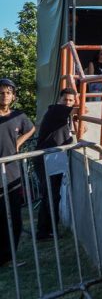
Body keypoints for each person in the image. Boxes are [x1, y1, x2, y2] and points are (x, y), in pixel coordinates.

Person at [35, 88, 82, 240]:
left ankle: (45, 230)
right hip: (46, 158)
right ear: (59, 100)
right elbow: (82, 109)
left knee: (51, 195)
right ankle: (48, 231)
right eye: (65, 100)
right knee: (51, 195)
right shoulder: (56, 110)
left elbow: (81, 129)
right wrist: (78, 102)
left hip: (54, 157)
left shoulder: (64, 116)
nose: (67, 103)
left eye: (70, 100)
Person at [0, 78, 35, 266]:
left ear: (13, 96)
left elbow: (31, 129)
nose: (4, 95)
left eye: (8, 92)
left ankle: (8, 257)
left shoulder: (18, 116)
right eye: (1, 92)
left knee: (14, 216)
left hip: (12, 171)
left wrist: (18, 144)